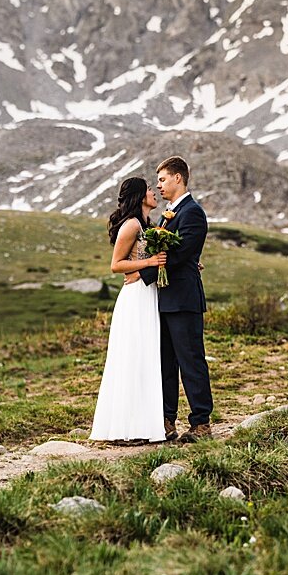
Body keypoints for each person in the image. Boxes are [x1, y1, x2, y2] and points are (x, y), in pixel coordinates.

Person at [89, 176, 168, 443]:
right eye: (149, 189)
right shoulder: (131, 225)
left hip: (149, 295)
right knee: (132, 357)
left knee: (146, 358)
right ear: (139, 196)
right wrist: (150, 263)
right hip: (135, 298)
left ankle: (143, 425)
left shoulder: (150, 225)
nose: (154, 192)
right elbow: (116, 265)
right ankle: (125, 427)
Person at [153, 155, 213, 441]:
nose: (159, 185)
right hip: (164, 301)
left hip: (185, 300)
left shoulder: (192, 212)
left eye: (162, 179)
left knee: (191, 361)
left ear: (178, 178)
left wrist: (155, 262)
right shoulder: (168, 214)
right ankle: (167, 421)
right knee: (165, 364)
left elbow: (183, 253)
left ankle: (201, 422)